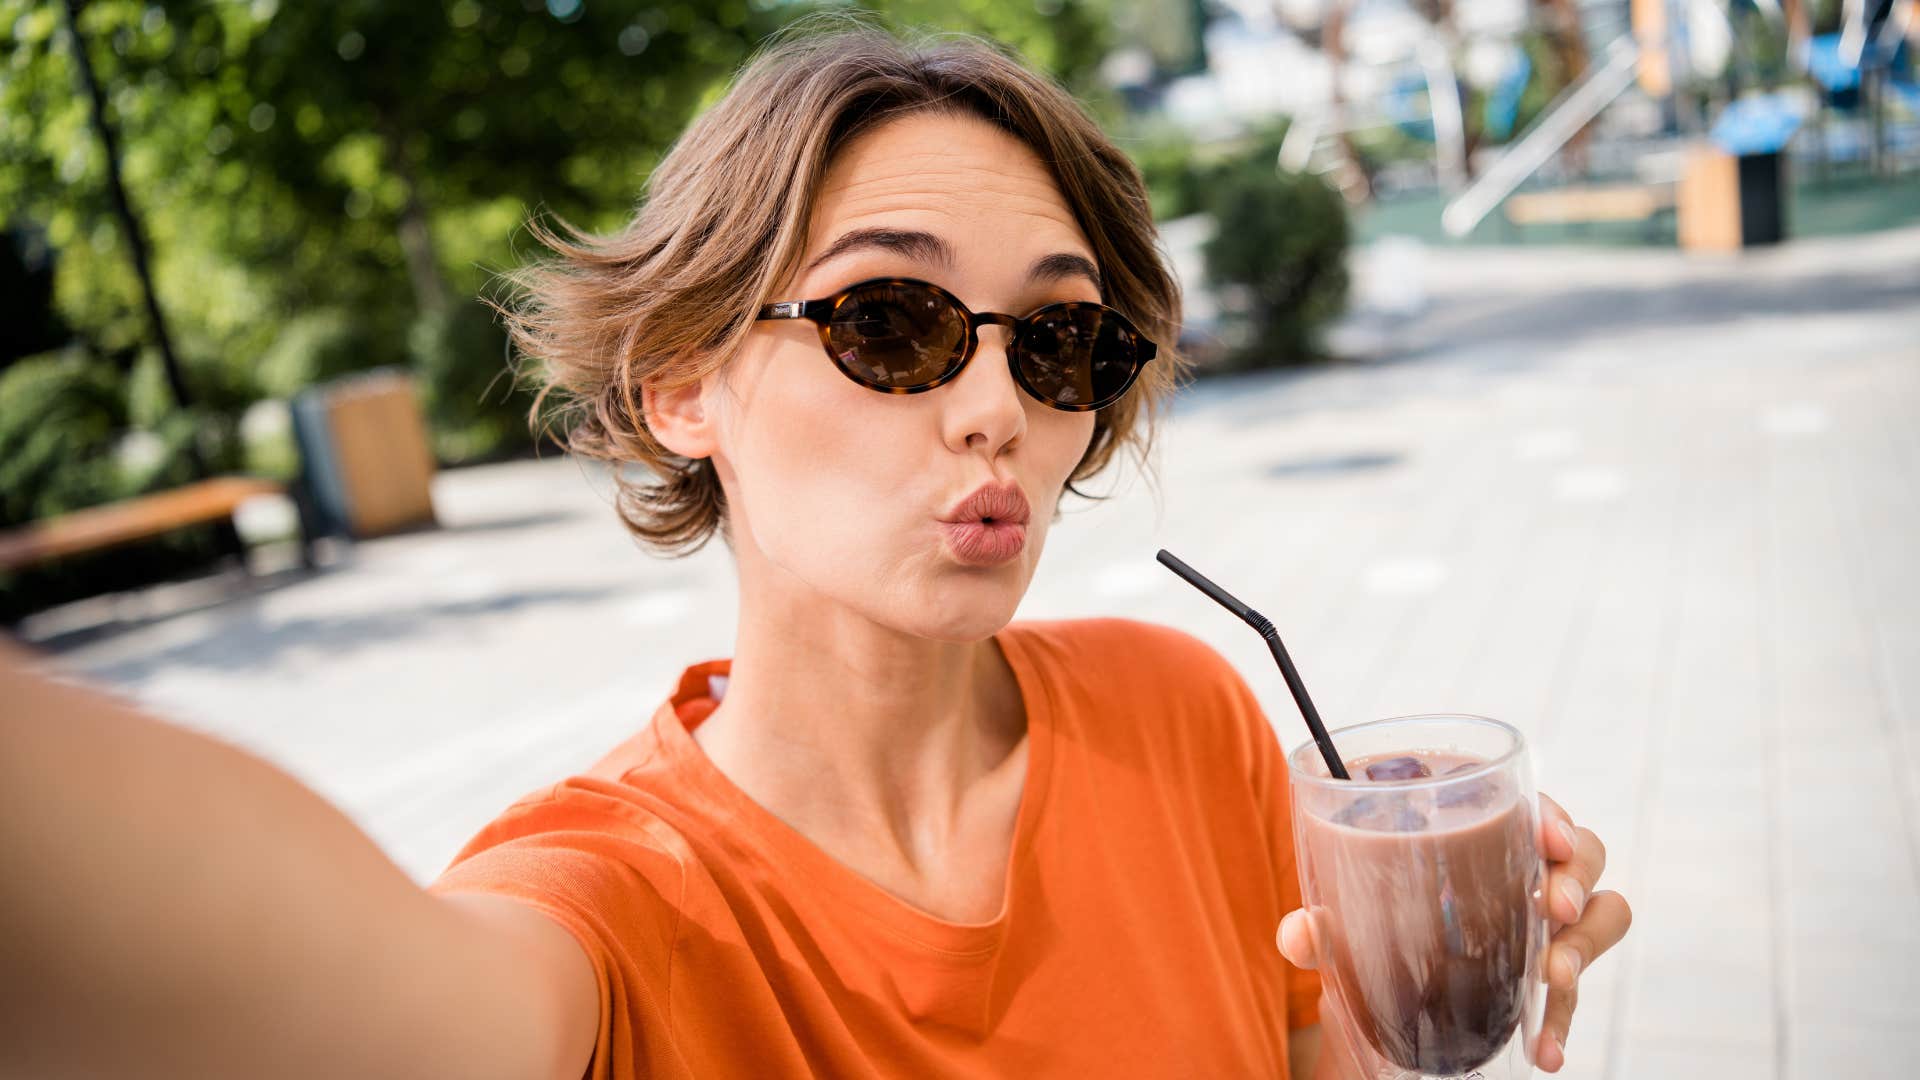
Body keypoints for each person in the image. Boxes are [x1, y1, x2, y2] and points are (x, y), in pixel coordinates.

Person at [0, 24, 1630, 1080]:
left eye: (1061, 341)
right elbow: (287, 993)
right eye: (894, 318)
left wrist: (1416, 988)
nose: (998, 402)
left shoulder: (1185, 712)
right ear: (684, 384)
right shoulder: (615, 907)